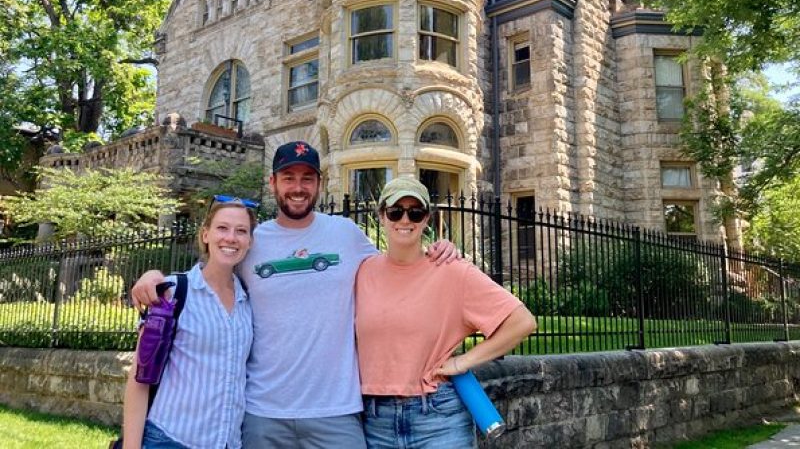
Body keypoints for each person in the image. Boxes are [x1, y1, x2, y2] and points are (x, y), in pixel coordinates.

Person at [131, 141, 458, 449]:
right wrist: (155, 276)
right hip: (263, 412)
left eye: (307, 178)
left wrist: (434, 250)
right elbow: (211, 273)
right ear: (273, 182)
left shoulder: (345, 234)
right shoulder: (251, 239)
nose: (298, 187)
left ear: (319, 183)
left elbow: (394, 270)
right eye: (288, 177)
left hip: (336, 409)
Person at [356, 176, 537, 448]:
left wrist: (461, 363)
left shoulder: (452, 271)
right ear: (382, 215)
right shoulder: (362, 271)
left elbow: (521, 321)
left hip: (438, 418)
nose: (405, 220)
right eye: (395, 211)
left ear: (426, 218)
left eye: (415, 212)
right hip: (375, 420)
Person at [123, 197, 256, 449]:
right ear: (205, 235)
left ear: (249, 241)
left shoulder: (248, 300)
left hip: (227, 443)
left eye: (241, 231)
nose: (231, 238)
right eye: (222, 228)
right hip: (171, 439)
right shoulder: (173, 293)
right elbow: (140, 377)